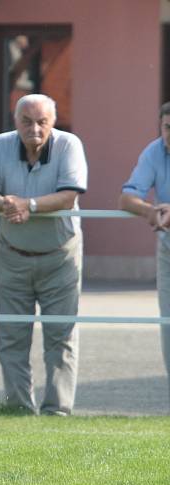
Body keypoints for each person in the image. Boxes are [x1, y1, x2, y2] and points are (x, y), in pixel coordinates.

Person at [0, 93, 87, 416]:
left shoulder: (69, 145)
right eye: (26, 121)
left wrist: (30, 205)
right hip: (11, 254)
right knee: (11, 336)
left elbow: (69, 196)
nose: (34, 129)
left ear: (53, 122)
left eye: (42, 122)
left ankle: (57, 411)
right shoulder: (0, 144)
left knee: (61, 336)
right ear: (15, 122)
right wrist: (8, 205)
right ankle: (18, 409)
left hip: (61, 256)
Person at [119, 101, 170, 405]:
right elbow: (126, 198)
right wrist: (152, 212)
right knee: (168, 323)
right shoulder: (154, 151)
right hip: (167, 248)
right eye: (167, 128)